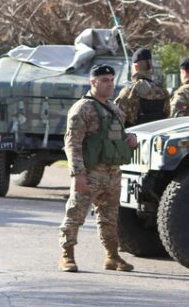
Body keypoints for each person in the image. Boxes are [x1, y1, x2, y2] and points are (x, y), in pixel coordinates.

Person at [59, 64, 138, 273]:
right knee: (76, 213)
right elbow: (72, 143)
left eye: (111, 80)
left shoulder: (114, 109)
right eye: (104, 80)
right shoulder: (82, 109)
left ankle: (112, 256)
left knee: (110, 218)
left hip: (112, 173)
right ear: (92, 82)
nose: (109, 84)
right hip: (90, 172)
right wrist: (77, 174)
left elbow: (116, 136)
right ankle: (67, 255)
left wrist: (130, 140)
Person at [114, 48, 169, 127]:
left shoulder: (129, 92)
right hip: (157, 137)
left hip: (135, 136)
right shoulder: (163, 92)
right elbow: (167, 115)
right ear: (151, 67)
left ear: (135, 67)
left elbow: (117, 119)